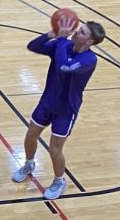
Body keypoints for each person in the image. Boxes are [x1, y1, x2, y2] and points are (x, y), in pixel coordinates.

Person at [12, 16, 106, 201]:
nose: (77, 31)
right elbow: (33, 46)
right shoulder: (61, 45)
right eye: (79, 28)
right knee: (30, 134)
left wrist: (61, 39)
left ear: (89, 41)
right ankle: (29, 164)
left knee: (55, 149)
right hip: (47, 101)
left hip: (66, 109)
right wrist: (51, 34)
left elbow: (65, 66)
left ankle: (59, 181)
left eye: (82, 32)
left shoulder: (89, 59)